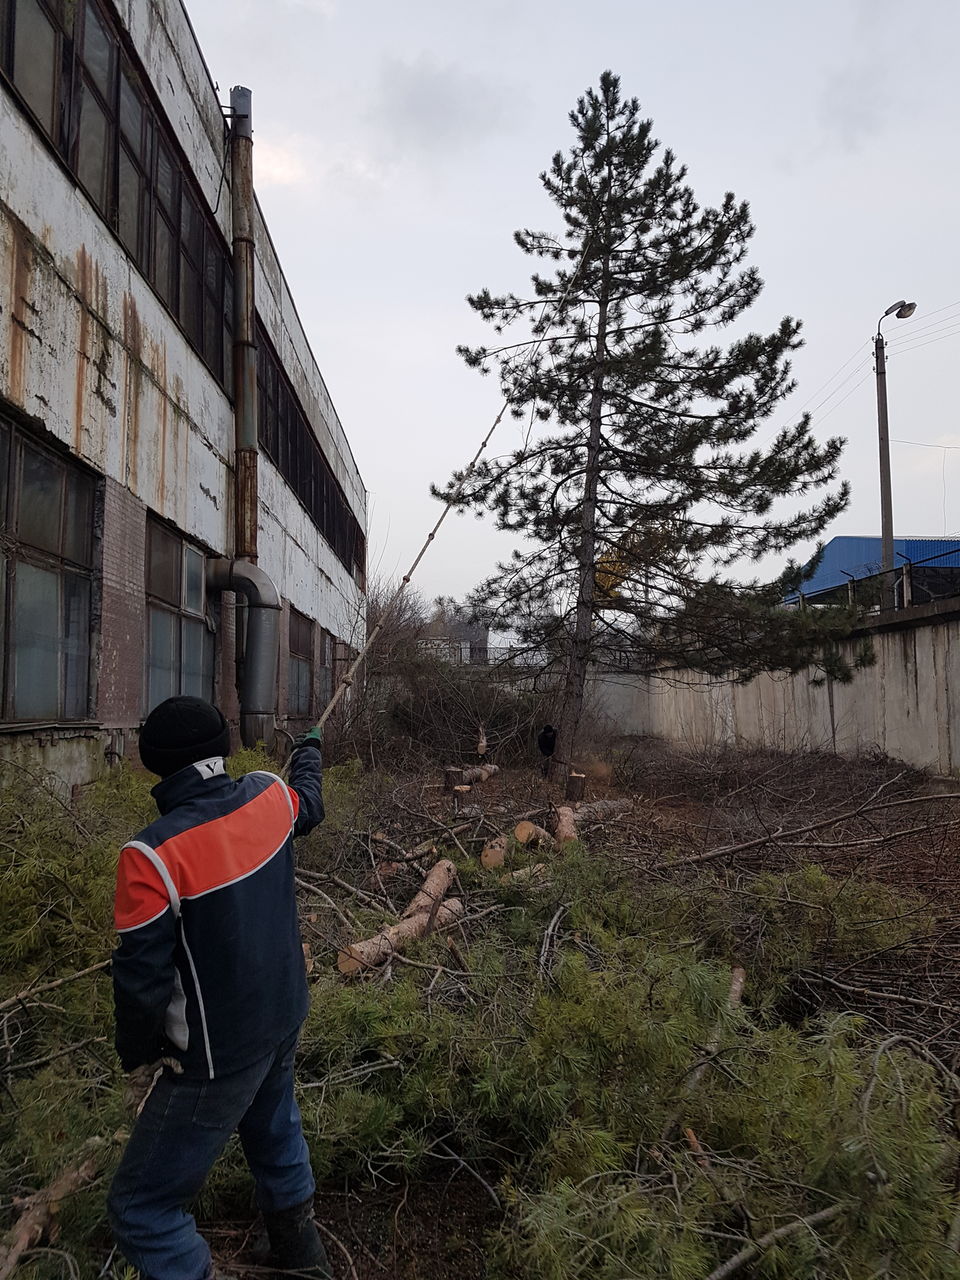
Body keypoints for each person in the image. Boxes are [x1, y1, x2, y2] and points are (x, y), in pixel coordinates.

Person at [107, 695, 330, 1280]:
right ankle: (303, 1258)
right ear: (222, 748)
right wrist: (309, 753)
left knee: (140, 1208)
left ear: (154, 763)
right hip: (284, 1015)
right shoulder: (267, 794)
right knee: (276, 1132)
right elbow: (309, 803)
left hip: (215, 1054)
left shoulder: (150, 857)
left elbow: (140, 983)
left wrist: (141, 1053)